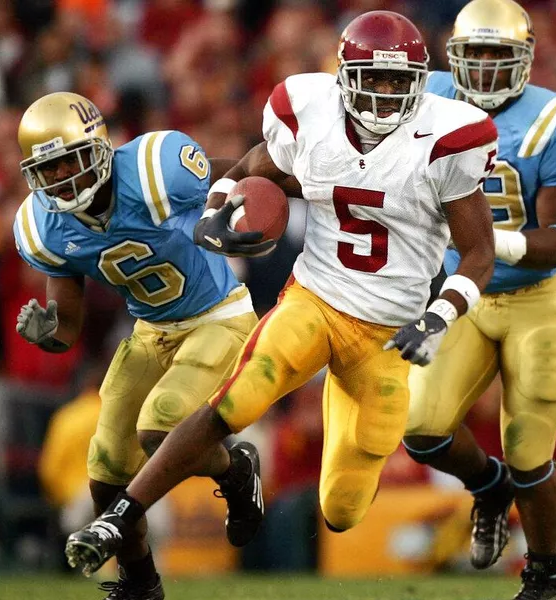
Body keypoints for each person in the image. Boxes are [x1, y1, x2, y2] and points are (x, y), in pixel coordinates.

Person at [64, 10, 498, 579]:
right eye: (377, 78)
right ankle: (121, 516)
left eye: (399, 80)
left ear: (420, 80)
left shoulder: (448, 139)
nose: (388, 93)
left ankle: (481, 480)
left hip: (389, 335)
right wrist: (218, 210)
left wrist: (439, 318)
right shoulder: (309, 112)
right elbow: (251, 168)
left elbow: (479, 253)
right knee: (234, 400)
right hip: (313, 301)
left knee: (340, 510)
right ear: (345, 76)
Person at [13, 91, 268, 600]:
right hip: (151, 331)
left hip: (219, 316)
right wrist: (50, 333)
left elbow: (238, 174)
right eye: (50, 170)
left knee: (162, 422)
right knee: (106, 468)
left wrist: (238, 209)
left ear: (100, 148)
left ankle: (236, 471)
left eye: (70, 161)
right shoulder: (42, 226)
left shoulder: (156, 168)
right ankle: (140, 586)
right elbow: (68, 324)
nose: (62, 179)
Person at [403, 1, 556, 598]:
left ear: (526, 58)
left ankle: (544, 576)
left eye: (498, 55)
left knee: (529, 451)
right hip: (466, 293)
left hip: (541, 297)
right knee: (421, 429)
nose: (485, 69)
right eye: (475, 54)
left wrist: (490, 244)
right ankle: (488, 488)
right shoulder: (423, 98)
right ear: (453, 56)